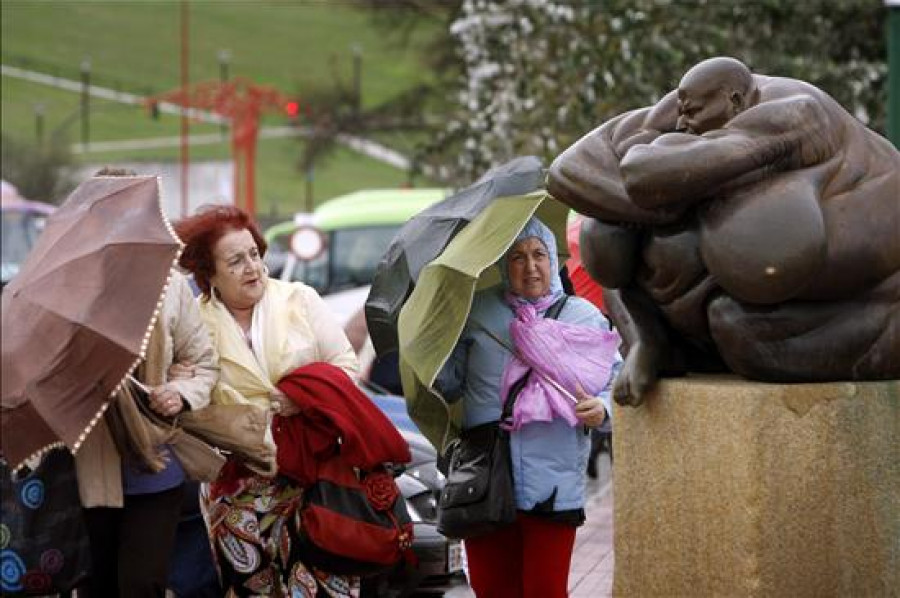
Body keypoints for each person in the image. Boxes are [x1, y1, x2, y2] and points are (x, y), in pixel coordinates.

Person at [549, 56, 900, 406]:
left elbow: (646, 174)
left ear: (735, 102)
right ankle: (649, 339)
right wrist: (659, 203)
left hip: (866, 298)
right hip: (704, 320)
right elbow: (565, 172)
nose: (681, 122)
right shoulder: (681, 108)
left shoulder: (798, 114)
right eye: (681, 110)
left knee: (740, 329)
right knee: (609, 233)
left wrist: (663, 193)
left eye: (693, 113)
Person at [173, 205, 360, 597]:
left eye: (254, 254)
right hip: (237, 485)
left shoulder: (299, 300)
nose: (252, 267)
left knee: (323, 587)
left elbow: (346, 367)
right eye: (236, 261)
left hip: (314, 474)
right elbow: (192, 394)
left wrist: (302, 397)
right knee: (250, 589)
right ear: (209, 274)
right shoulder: (192, 320)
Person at [434, 218, 621, 598]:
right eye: (517, 257)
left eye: (539, 254)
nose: (530, 266)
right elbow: (447, 387)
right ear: (504, 265)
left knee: (545, 591)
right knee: (492, 590)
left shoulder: (582, 317)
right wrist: (440, 337)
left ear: (553, 259)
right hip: (484, 480)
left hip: (552, 481)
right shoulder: (477, 313)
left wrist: (603, 410)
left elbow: (619, 385)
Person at [72, 169, 220, 598]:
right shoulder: (75, 285)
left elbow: (201, 361)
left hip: (157, 462)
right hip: (91, 465)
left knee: (142, 584)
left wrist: (181, 392)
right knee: (96, 584)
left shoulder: (170, 285)